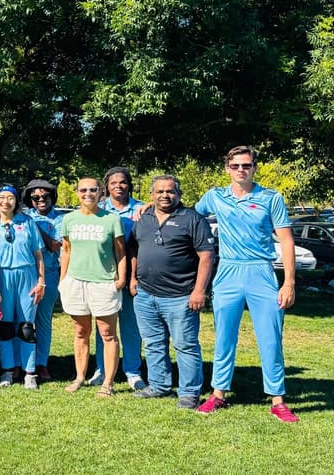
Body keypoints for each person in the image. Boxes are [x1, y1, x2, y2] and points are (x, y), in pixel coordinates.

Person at [193, 146, 298, 422]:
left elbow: (286, 241)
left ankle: (277, 400)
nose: (242, 170)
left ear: (254, 168)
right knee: (224, 337)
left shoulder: (270, 198)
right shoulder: (215, 197)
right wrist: (149, 206)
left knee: (271, 338)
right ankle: (218, 395)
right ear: (227, 168)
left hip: (261, 272)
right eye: (236, 165)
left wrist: (289, 282)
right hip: (228, 271)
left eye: (247, 165)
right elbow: (190, 216)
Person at [129, 175, 215, 409]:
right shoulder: (143, 218)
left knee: (185, 345)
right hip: (146, 294)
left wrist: (200, 291)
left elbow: (206, 256)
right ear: (151, 194)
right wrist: (132, 279)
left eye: (169, 191)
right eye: (159, 191)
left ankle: (189, 392)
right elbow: (134, 249)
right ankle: (159, 385)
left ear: (178, 194)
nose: (164, 195)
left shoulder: (192, 219)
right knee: (153, 343)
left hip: (181, 296)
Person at [59, 178, 126, 397]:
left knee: (107, 334)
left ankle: (108, 382)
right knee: (81, 332)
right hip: (76, 282)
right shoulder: (69, 219)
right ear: (77, 193)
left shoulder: (111, 219)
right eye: (83, 190)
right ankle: (80, 377)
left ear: (100, 193)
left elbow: (120, 252)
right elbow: (66, 250)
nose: (88, 193)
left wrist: (121, 278)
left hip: (104, 283)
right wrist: (63, 279)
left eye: (93, 190)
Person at [92, 167, 146, 391]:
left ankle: (132, 371)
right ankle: (102, 369)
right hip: (103, 276)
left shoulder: (142, 209)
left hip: (133, 275)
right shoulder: (97, 209)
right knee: (104, 327)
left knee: (131, 326)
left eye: (123, 182)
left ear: (129, 185)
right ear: (107, 186)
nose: (118, 186)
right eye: (113, 183)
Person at [0, 184, 45, 389]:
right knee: (5, 326)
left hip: (26, 275)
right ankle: (8, 370)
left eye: (10, 197)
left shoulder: (27, 222)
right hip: (3, 278)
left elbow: (38, 255)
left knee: (26, 327)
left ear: (16, 201)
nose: (6, 201)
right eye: (1, 197)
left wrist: (41, 282)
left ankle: (30, 372)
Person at [22, 178, 64, 382]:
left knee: (43, 321)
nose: (40, 200)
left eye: (45, 196)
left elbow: (55, 246)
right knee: (24, 321)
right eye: (35, 197)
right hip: (25, 275)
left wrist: (35, 227)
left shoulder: (61, 219)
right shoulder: (23, 217)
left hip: (49, 273)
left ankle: (41, 363)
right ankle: (23, 362)